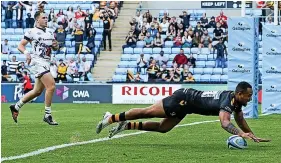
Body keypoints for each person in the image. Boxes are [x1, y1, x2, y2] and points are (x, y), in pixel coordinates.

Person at [96, 81, 271, 143]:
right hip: (182, 99)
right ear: (239, 94)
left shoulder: (237, 103)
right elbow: (225, 123)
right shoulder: (228, 101)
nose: (250, 99)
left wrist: (251, 134)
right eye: (248, 96)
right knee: (148, 112)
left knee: (163, 128)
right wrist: (241, 134)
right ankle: (110, 118)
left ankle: (126, 126)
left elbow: (240, 120)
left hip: (187, 106)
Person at [9, 11, 59, 125]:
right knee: (51, 86)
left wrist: (56, 46)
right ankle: (47, 115)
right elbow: (20, 45)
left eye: (47, 18)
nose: (46, 19)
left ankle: (16, 106)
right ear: (37, 20)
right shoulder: (32, 32)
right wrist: (27, 53)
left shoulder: (50, 33)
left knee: (37, 91)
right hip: (37, 62)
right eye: (44, 18)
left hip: (46, 62)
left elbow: (55, 47)